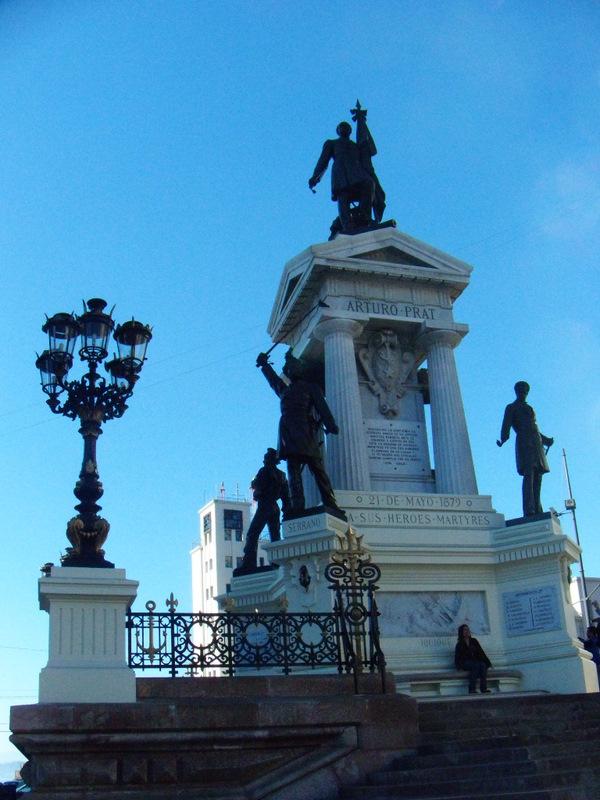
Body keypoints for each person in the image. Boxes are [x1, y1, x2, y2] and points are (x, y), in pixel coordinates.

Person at [256, 349, 342, 514]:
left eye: (292, 367)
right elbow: (273, 380)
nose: (289, 370)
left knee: (317, 468)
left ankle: (330, 502)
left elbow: (322, 408)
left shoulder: (311, 388)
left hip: (305, 432)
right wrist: (264, 365)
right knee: (294, 472)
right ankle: (297, 506)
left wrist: (331, 425)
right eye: (288, 368)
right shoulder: (285, 390)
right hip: (288, 434)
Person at [497, 381, 554, 517]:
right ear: (517, 392)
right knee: (529, 474)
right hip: (524, 442)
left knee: (538, 475)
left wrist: (546, 440)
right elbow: (506, 425)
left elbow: (534, 427)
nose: (523, 393)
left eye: (525, 391)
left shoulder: (529, 408)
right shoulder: (511, 407)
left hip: (536, 442)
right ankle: (529, 509)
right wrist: (503, 439)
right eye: (521, 390)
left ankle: (537, 507)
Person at [309, 120, 375, 233]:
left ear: (350, 131)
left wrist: (363, 128)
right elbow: (323, 161)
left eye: (347, 127)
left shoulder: (356, 146)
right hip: (341, 172)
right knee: (343, 196)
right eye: (342, 127)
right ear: (338, 131)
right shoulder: (332, 143)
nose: (345, 128)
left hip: (356, 173)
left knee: (369, 184)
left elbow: (369, 155)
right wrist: (316, 177)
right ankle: (346, 225)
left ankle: (364, 217)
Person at [235, 448, 291, 574]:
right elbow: (286, 496)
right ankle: (277, 563)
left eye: (266, 458)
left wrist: (255, 483)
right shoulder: (282, 475)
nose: (264, 460)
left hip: (265, 505)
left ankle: (249, 563)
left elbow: (256, 484)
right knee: (275, 535)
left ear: (270, 460)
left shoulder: (264, 471)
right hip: (275, 507)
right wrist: (287, 510)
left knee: (253, 533)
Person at [454, 624, 492, 694]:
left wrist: (487, 663)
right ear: (461, 632)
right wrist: (458, 667)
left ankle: (483, 688)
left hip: (475, 661)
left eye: (468, 629)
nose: (467, 631)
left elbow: (481, 652)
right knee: (476, 666)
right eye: (465, 630)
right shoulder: (459, 644)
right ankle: (472, 689)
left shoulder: (474, 641)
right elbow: (457, 656)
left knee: (483, 665)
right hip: (465, 663)